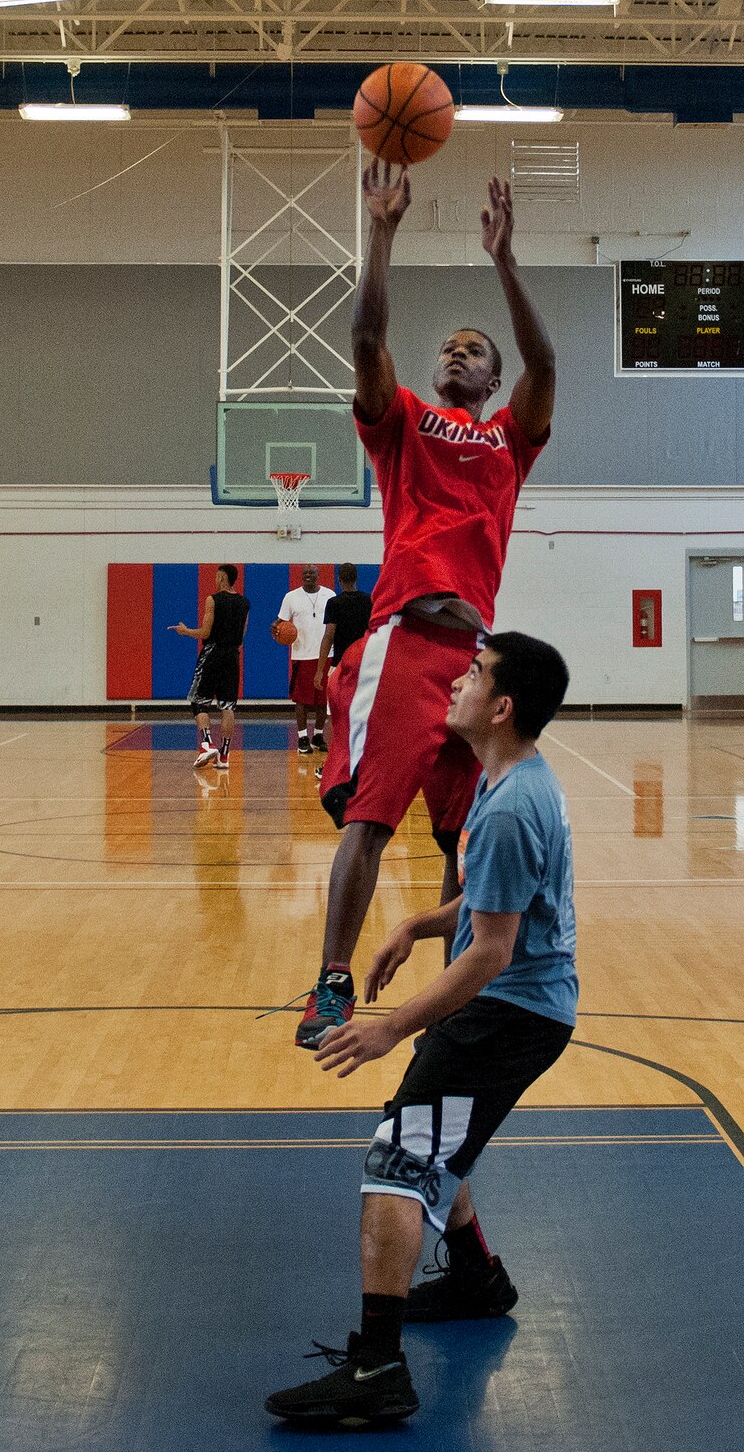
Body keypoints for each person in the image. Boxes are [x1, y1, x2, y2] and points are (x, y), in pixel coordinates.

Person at [265, 631, 576, 1428]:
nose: (456, 681)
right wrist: (415, 923)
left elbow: (494, 952)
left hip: (512, 1012)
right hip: (509, 1003)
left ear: (501, 707)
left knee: (397, 1158)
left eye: (473, 674)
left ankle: (377, 1369)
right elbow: (488, 906)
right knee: (436, 1131)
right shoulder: (506, 778)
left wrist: (391, 1029)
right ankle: (476, 1279)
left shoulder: (510, 806)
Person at [296, 169, 555, 1050]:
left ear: (491, 377)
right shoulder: (403, 419)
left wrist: (505, 261)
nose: (456, 352)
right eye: (448, 345)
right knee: (371, 819)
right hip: (404, 640)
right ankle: (330, 986)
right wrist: (382, 232)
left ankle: (453, 992)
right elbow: (368, 334)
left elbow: (546, 363)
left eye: (473, 349)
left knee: (463, 836)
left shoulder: (509, 440)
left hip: (473, 656)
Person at [172, 567, 250, 772]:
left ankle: (207, 744)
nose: (215, 579)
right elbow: (241, 637)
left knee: (199, 702)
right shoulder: (244, 603)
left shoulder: (212, 599)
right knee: (228, 706)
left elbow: (205, 631)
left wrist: (186, 631)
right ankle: (224, 756)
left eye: (217, 576)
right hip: (233, 655)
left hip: (212, 653)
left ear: (222, 578)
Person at [273, 562, 334, 756]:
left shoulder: (330, 595)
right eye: (305, 572)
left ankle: (317, 735)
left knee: (323, 700)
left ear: (318, 575)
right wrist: (274, 628)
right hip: (301, 655)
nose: (308, 575)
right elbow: (280, 622)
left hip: (326, 655)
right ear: (301, 576)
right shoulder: (291, 597)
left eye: (312, 572)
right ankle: (302, 738)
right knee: (301, 700)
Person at [314, 563, 372, 729]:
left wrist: (319, 670)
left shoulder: (334, 603)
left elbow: (328, 636)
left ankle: (339, 753)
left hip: (340, 664)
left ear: (339, 580)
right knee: (364, 715)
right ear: (356, 578)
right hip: (364, 664)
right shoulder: (369, 601)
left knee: (337, 715)